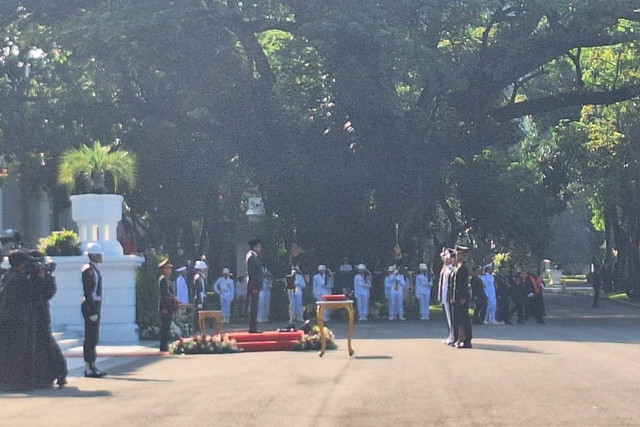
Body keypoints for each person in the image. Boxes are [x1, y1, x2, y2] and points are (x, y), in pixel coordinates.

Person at [29, 251, 67, 389]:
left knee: (46, 342)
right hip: (31, 313)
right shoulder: (30, 274)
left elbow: (45, 293)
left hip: (40, 313)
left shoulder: (45, 277)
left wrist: (42, 277)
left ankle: (59, 372)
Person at [0, 249, 37, 391]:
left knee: (10, 352)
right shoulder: (19, 279)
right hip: (18, 321)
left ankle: (8, 381)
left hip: (9, 320)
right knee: (17, 353)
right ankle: (13, 382)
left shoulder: (8, 276)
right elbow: (32, 295)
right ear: (21, 264)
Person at [81, 243, 107, 378]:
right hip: (90, 306)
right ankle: (88, 367)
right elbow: (88, 292)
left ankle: (92, 365)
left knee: (93, 338)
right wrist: (92, 311)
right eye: (99, 255)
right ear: (94, 256)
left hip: (95, 305)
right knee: (90, 338)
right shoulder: (89, 271)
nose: (101, 257)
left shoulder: (94, 270)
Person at [451, 245, 472, 349]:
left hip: (461, 296)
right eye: (457, 253)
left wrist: (463, 297)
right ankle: (458, 338)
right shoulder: (457, 267)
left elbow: (464, 284)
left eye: (460, 254)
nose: (458, 255)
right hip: (456, 295)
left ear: (464, 255)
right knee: (458, 319)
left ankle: (467, 340)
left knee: (464, 319)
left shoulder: (463, 268)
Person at [158, 259, 178, 351]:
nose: (170, 270)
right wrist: (173, 298)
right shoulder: (163, 280)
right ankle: (163, 346)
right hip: (165, 307)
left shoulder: (167, 279)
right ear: (164, 269)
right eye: (168, 268)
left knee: (167, 326)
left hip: (169, 306)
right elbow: (165, 295)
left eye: (170, 268)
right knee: (165, 327)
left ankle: (165, 345)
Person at [437, 248, 455, 345]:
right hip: (444, 297)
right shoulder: (446, 268)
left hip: (449, 297)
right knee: (447, 317)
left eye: (446, 257)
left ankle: (452, 336)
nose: (444, 259)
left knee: (451, 318)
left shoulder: (452, 269)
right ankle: (450, 335)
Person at [246, 238, 263, 333]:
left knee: (255, 307)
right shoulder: (251, 258)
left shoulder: (254, 257)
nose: (260, 248)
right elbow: (252, 273)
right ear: (255, 246)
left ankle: (254, 326)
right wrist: (254, 287)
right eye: (259, 246)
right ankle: (253, 327)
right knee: (253, 307)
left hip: (256, 285)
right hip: (254, 286)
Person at [192, 259, 207, 332]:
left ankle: (199, 327)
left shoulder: (201, 277)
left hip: (201, 297)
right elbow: (199, 290)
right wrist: (200, 300)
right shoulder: (198, 277)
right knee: (197, 314)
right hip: (198, 298)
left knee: (200, 313)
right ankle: (197, 328)